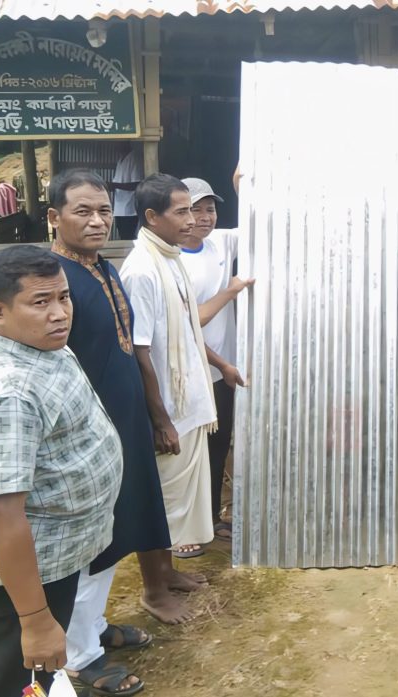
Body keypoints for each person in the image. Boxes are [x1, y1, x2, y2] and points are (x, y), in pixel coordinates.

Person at [0, 246, 122, 697]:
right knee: (23, 676)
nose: (60, 313)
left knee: (42, 673)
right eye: (40, 302)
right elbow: (4, 515)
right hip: (33, 563)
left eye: (64, 297)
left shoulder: (26, 340)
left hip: (56, 547)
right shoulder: (4, 395)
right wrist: (35, 619)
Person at [50, 169, 199, 693]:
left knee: (116, 533)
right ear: (54, 218)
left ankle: (93, 628)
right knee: (89, 541)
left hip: (124, 423)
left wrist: (152, 415)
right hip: (86, 435)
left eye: (103, 211)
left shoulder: (105, 271)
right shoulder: (52, 282)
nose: (96, 221)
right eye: (82, 211)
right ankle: (78, 656)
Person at [120, 174, 217, 599]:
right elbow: (140, 351)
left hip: (188, 402)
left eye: (193, 210)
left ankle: (169, 572)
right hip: (169, 412)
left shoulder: (171, 257)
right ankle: (154, 589)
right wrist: (160, 420)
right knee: (160, 504)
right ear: (152, 216)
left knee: (177, 505)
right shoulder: (142, 270)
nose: (192, 219)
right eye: (181, 211)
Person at [179, 177, 253, 541]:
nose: (205, 217)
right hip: (192, 372)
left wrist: (244, 178)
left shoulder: (220, 242)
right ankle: (186, 530)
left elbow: (259, 220)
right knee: (190, 451)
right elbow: (195, 321)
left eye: (210, 209)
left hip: (222, 369)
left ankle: (210, 518)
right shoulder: (173, 260)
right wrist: (231, 291)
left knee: (219, 443)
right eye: (196, 209)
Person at [111, 145, 143, 241]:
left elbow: (137, 184)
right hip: (119, 208)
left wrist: (114, 185)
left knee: (128, 237)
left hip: (130, 209)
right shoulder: (120, 159)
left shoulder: (134, 158)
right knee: (123, 236)